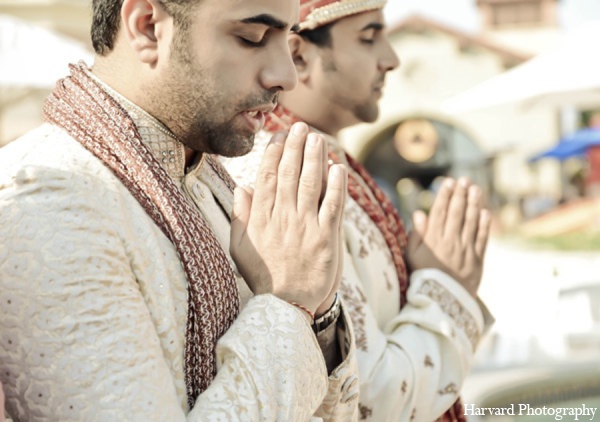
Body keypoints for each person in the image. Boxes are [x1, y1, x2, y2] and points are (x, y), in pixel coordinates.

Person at [0, 0, 361, 420]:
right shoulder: (50, 201)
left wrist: (319, 312)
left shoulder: (211, 179)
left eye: (288, 39)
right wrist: (287, 303)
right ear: (149, 26)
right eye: (253, 38)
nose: (287, 76)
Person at [221, 0, 495, 420]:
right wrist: (444, 288)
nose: (391, 58)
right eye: (369, 37)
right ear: (299, 56)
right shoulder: (282, 174)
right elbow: (369, 396)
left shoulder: (323, 156)